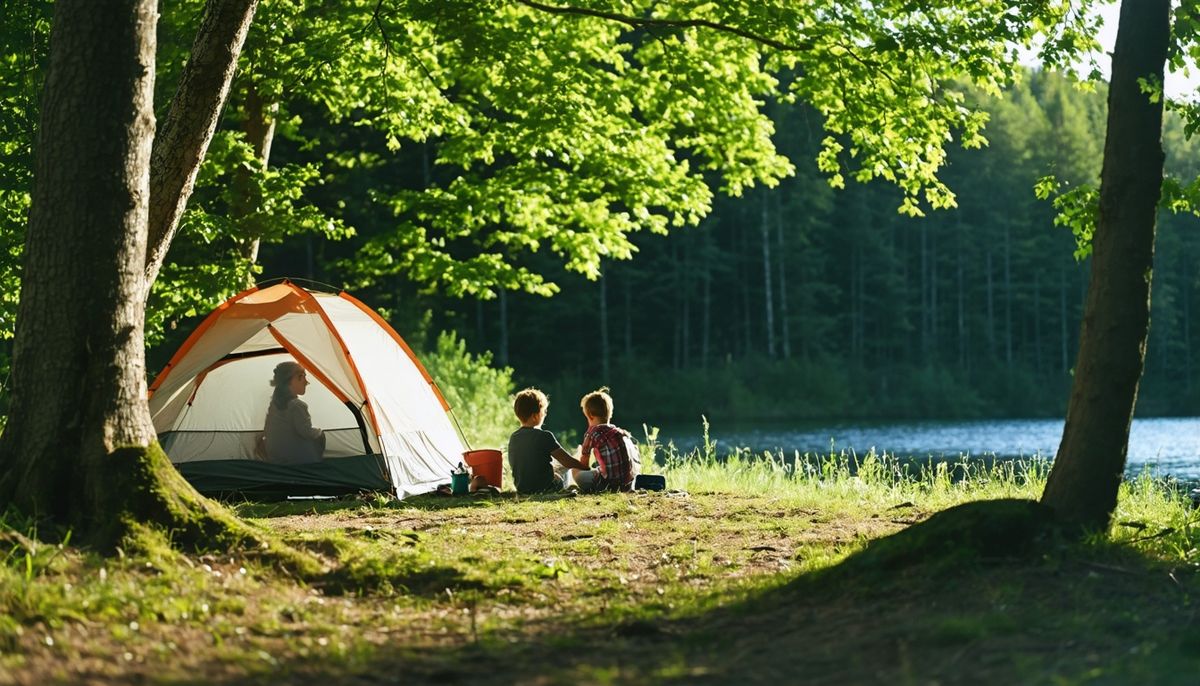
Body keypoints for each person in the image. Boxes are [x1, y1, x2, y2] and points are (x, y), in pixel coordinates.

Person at [507, 388, 586, 494]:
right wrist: (585, 467)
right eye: (544, 411)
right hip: (546, 488)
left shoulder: (514, 437)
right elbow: (567, 461)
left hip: (522, 488)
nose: (545, 414)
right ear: (535, 416)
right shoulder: (544, 436)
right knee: (564, 469)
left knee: (554, 468)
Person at [568, 387, 640, 493]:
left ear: (590, 415)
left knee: (574, 470)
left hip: (607, 486)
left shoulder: (593, 433)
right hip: (628, 485)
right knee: (600, 468)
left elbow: (584, 465)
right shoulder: (620, 432)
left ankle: (590, 488)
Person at [260, 361, 325, 465]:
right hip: (293, 458)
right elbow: (306, 432)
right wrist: (320, 432)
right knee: (320, 436)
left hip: (275, 456)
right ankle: (314, 463)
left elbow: (267, 430)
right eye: (302, 377)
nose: (306, 382)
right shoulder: (297, 406)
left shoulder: (274, 404)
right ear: (290, 380)